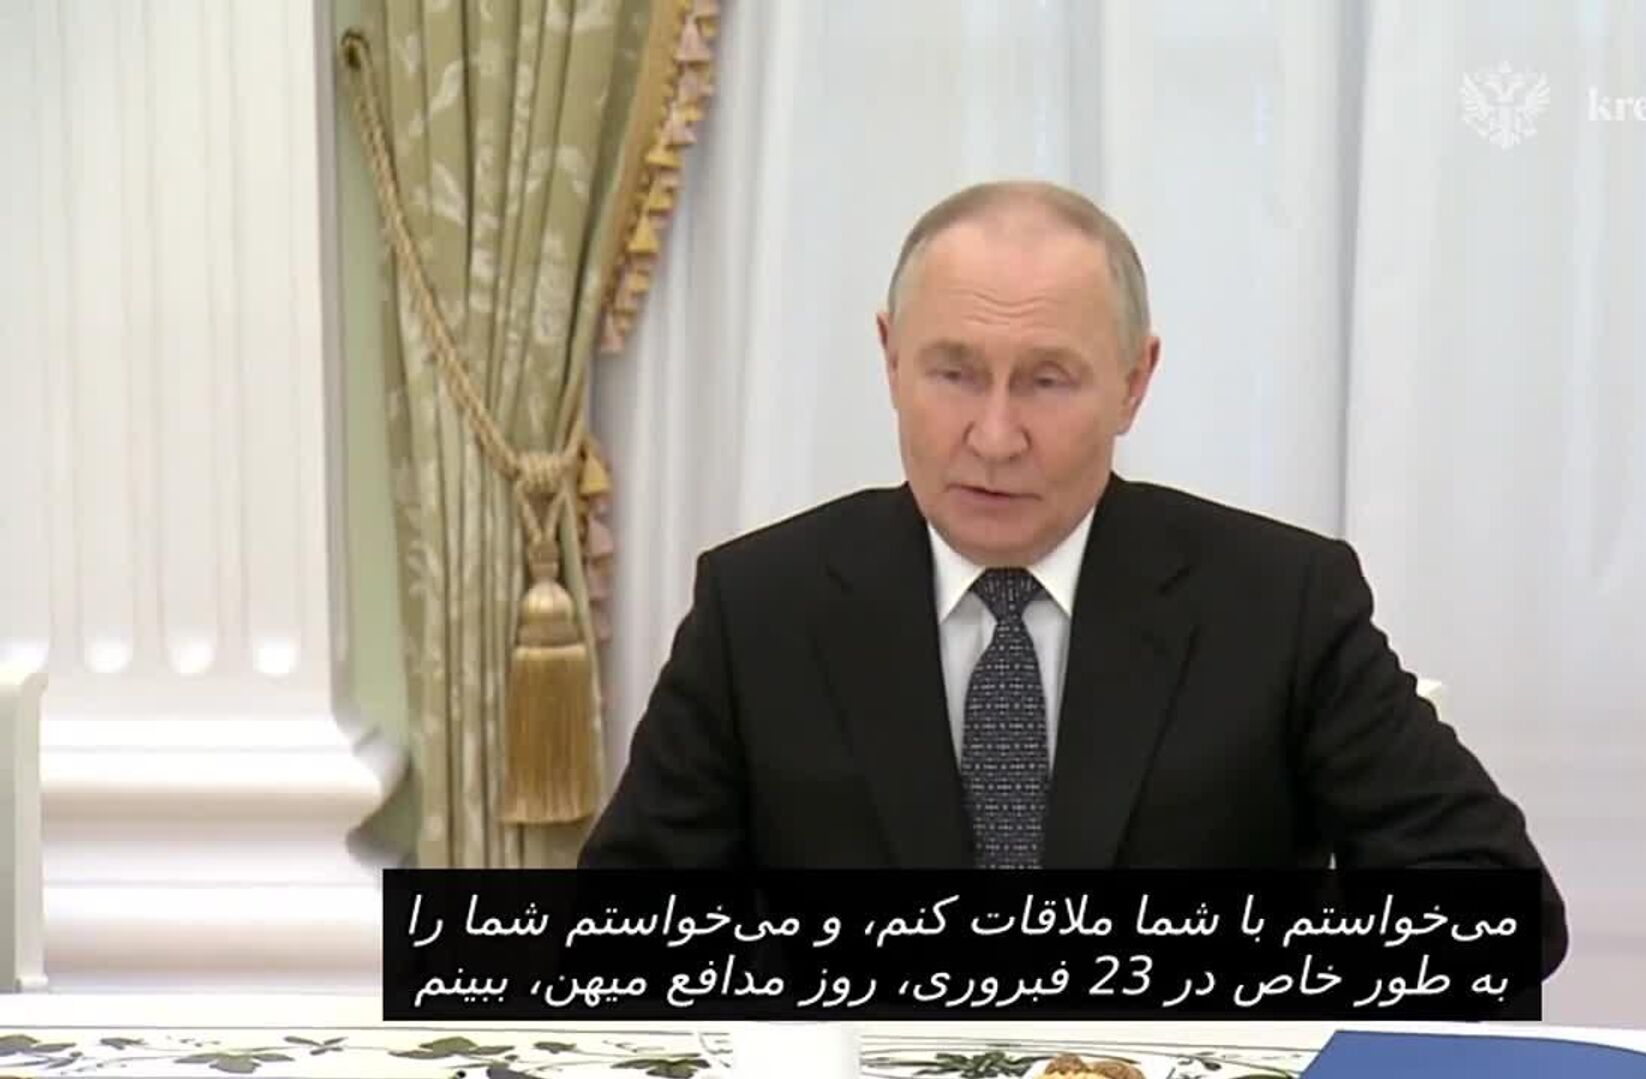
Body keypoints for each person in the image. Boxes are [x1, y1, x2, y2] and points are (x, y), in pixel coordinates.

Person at [579, 179, 1567, 977]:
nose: (994, 435)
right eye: (954, 373)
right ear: (890, 359)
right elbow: (620, 937)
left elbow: (1502, 909)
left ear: (1134, 382)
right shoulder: (760, 607)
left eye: (1048, 380)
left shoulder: (1280, 602)